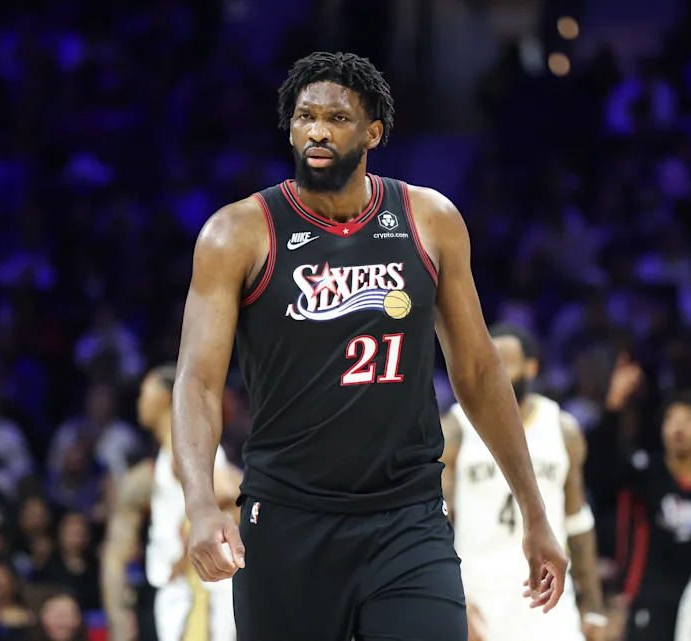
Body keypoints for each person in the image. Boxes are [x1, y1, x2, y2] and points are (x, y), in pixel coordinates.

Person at [172, 51, 568, 641]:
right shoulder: (237, 233)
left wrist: (535, 513)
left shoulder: (429, 219)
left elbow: (481, 374)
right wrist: (202, 503)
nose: (319, 131)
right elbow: (198, 382)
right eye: (305, 117)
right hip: (287, 520)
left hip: (406, 518)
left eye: (337, 118)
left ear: (373, 132)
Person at [441, 323, 606, 641]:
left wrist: (594, 607)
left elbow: (578, 521)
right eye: (491, 362)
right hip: (477, 592)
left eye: (506, 364)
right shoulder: (456, 427)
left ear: (532, 368)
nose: (496, 373)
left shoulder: (563, 429)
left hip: (549, 600)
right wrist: (452, 598)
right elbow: (437, 519)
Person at [590, 355, 691, 641]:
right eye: (671, 419)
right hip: (649, 602)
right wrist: (613, 407)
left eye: (688, 420)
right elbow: (600, 469)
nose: (677, 427)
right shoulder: (645, 476)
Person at [102, 364, 241, 641]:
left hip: (200, 590)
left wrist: (189, 540)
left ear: (166, 397)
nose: (139, 401)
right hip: (182, 590)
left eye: (145, 392)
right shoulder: (167, 457)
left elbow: (234, 493)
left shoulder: (186, 452)